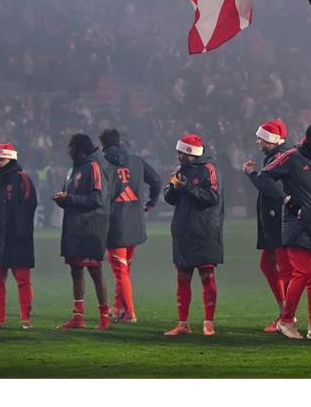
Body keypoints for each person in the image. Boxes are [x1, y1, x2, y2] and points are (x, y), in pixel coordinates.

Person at [276, 123, 311, 340]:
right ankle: (286, 321)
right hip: (298, 225)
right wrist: (287, 201)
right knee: (303, 273)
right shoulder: (291, 157)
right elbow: (265, 177)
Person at [163, 134, 223, 337]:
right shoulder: (179, 171)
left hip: (204, 232)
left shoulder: (209, 170)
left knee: (207, 278)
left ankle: (208, 323)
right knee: (183, 279)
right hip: (183, 231)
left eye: (182, 152)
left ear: (192, 153)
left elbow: (212, 197)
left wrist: (187, 187)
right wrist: (173, 187)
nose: (178, 156)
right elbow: (169, 198)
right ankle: (183, 324)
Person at [53, 133, 114, 331]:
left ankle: (104, 317)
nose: (69, 151)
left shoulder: (94, 167)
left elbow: (97, 199)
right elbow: (70, 197)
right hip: (73, 227)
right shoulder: (73, 170)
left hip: (90, 228)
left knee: (95, 271)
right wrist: (62, 200)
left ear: (81, 149)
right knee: (75, 270)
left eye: (72, 147)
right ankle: (78, 317)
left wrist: (69, 199)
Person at [101, 128, 162, 324]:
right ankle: (118, 307)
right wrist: (151, 202)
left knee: (120, 271)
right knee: (125, 270)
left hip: (115, 226)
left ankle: (130, 313)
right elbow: (157, 180)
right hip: (135, 224)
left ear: (103, 145)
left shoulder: (103, 164)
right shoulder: (136, 160)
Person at [0, 144, 37, 330]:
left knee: (23, 281)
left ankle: (25, 319)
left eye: (1, 159)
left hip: (18, 241)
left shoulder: (23, 179)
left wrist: (21, 232)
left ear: (11, 158)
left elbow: (29, 206)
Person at [243, 119, 296, 332]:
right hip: (273, 220)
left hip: (279, 219)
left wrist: (251, 175)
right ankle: (284, 312)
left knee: (285, 268)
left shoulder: (280, 158)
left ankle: (287, 316)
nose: (257, 141)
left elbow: (272, 189)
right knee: (268, 264)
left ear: (272, 140)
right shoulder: (277, 156)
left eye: (261, 138)